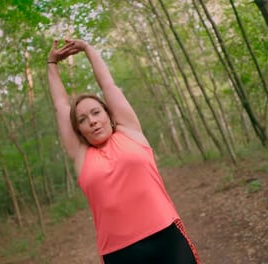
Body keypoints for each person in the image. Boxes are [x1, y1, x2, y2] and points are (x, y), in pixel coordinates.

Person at [47, 39, 200, 264]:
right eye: (82, 119)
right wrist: (51, 62)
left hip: (167, 237)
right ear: (78, 129)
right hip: (119, 253)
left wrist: (88, 49)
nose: (92, 121)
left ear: (108, 114)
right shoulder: (81, 155)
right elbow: (61, 105)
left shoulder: (130, 131)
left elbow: (108, 84)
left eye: (96, 112)